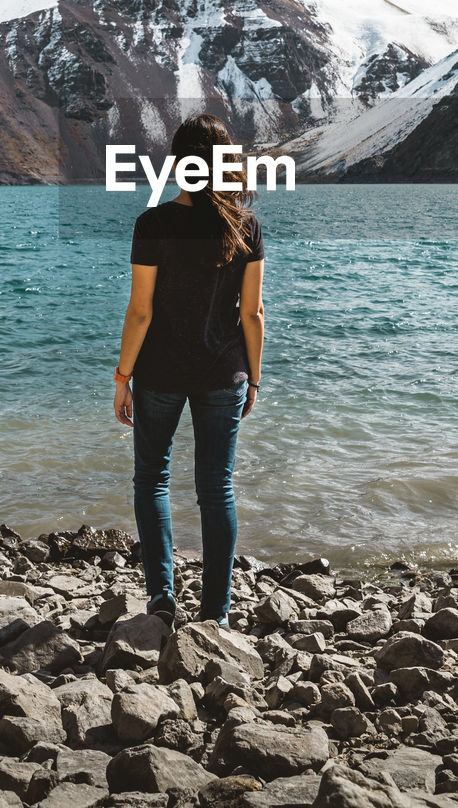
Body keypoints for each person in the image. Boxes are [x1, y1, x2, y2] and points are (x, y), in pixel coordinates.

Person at [113, 112, 265, 628]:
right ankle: (216, 615)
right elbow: (252, 314)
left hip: (158, 374)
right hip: (224, 375)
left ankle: (162, 598)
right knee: (216, 488)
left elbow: (140, 311)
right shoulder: (245, 227)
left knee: (152, 480)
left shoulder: (152, 224)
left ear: (177, 164)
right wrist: (255, 377)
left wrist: (122, 376)